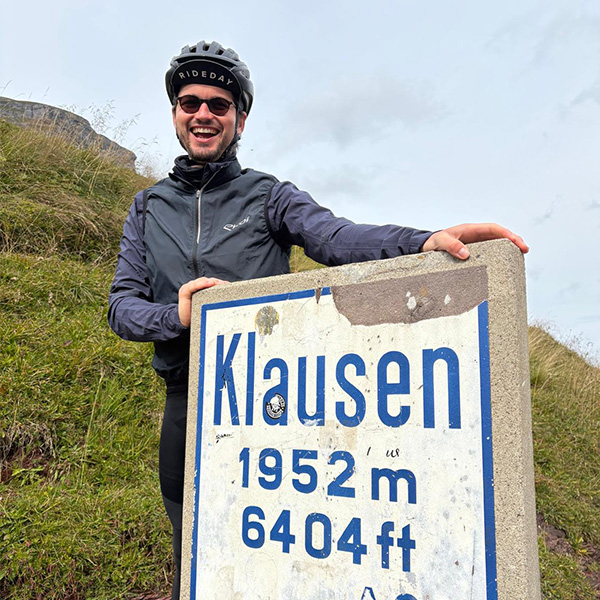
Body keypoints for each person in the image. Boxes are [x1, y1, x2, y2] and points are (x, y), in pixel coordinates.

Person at [107, 40, 528, 599]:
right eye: (190, 103)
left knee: (275, 556)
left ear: (239, 118)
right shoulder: (147, 207)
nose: (203, 114)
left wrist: (421, 241)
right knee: (197, 553)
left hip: (267, 402)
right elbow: (121, 307)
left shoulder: (267, 195)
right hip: (185, 400)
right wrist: (178, 315)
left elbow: (335, 237)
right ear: (175, 113)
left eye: (219, 104)